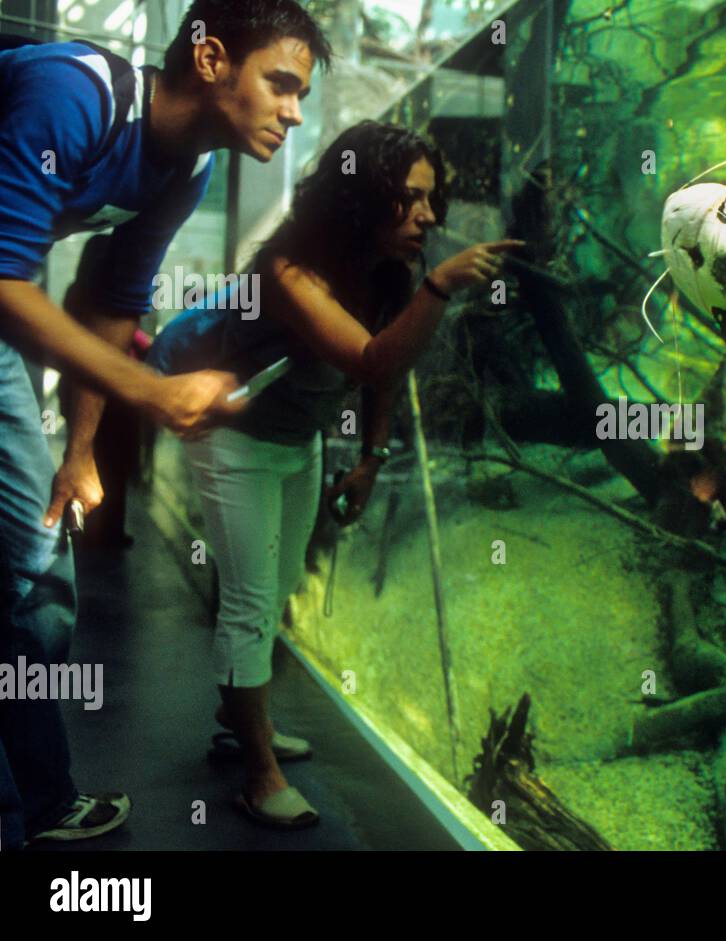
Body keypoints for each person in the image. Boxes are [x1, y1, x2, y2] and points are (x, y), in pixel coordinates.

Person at [0, 0, 331, 849]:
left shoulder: (186, 170)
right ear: (212, 58)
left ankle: (40, 797)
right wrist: (152, 396)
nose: (294, 110)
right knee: (35, 574)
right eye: (282, 83)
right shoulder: (76, 95)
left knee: (36, 551)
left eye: (302, 93)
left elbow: (109, 305)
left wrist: (79, 453)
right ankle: (40, 800)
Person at [147, 120, 522, 829]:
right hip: (233, 438)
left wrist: (372, 457)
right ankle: (259, 775)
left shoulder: (389, 269)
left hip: (298, 439)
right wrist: (441, 285)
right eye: (410, 199)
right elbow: (373, 359)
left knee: (281, 586)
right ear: (361, 196)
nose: (429, 216)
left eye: (431, 199)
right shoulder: (290, 271)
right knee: (251, 603)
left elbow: (388, 374)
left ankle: (241, 724)